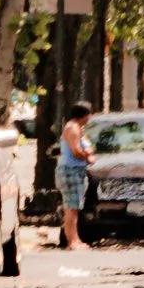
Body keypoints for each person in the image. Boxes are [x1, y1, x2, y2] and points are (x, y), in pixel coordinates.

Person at [57, 101, 96, 251]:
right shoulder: (72, 128)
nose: (89, 118)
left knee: (74, 207)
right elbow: (76, 151)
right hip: (70, 170)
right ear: (85, 114)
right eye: (89, 114)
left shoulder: (77, 128)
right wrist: (88, 156)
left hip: (76, 171)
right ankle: (72, 241)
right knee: (71, 207)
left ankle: (76, 238)